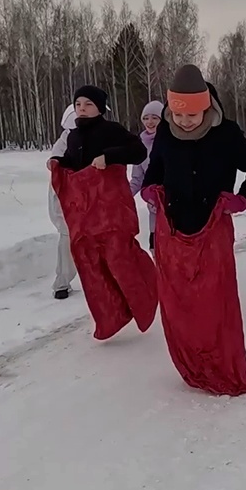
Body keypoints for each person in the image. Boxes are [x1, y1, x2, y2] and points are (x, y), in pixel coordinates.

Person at [139, 64, 246, 396]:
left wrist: (242, 199)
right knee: (178, 300)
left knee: (214, 299)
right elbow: (154, 170)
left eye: (192, 115)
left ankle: (221, 361)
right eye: (179, 115)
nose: (184, 122)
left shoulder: (225, 133)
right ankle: (192, 362)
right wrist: (150, 189)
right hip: (173, 230)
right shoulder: (167, 132)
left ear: (206, 106)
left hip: (213, 228)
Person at [48, 86, 157, 340]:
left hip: (113, 211)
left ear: (99, 107)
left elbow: (138, 151)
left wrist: (108, 157)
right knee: (94, 265)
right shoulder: (73, 137)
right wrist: (59, 164)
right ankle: (112, 316)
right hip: (87, 216)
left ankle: (148, 294)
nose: (82, 108)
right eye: (78, 104)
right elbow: (73, 167)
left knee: (120, 257)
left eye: (88, 104)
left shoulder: (111, 130)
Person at [47, 104, 78, 299]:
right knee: (68, 236)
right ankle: (62, 283)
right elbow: (54, 164)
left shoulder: (94, 138)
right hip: (65, 199)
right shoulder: (65, 141)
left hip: (85, 200)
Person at [128, 100, 164, 250]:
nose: (150, 122)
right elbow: (137, 179)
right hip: (154, 212)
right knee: (156, 251)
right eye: (146, 118)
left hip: (174, 210)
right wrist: (122, 195)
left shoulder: (171, 141)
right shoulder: (140, 145)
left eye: (155, 118)